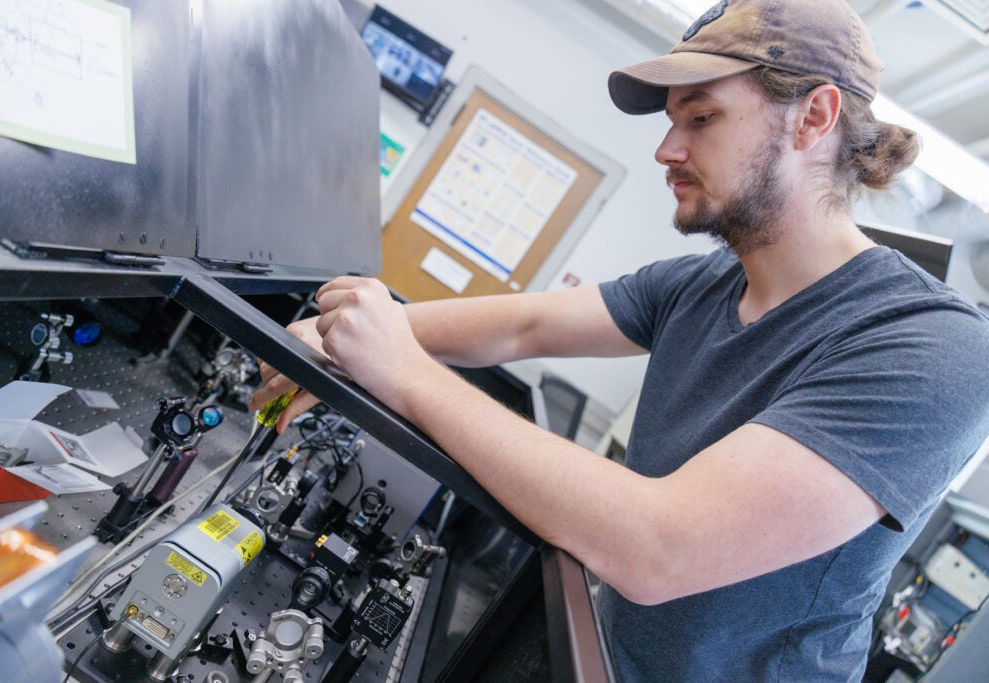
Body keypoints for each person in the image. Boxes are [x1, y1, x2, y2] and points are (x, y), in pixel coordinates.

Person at [251, 0, 989, 679]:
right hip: (599, 652)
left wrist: (403, 370)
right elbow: (523, 324)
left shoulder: (932, 346)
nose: (667, 148)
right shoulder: (702, 283)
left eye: (700, 118)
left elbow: (660, 545)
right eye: (671, 120)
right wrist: (327, 336)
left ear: (814, 117)